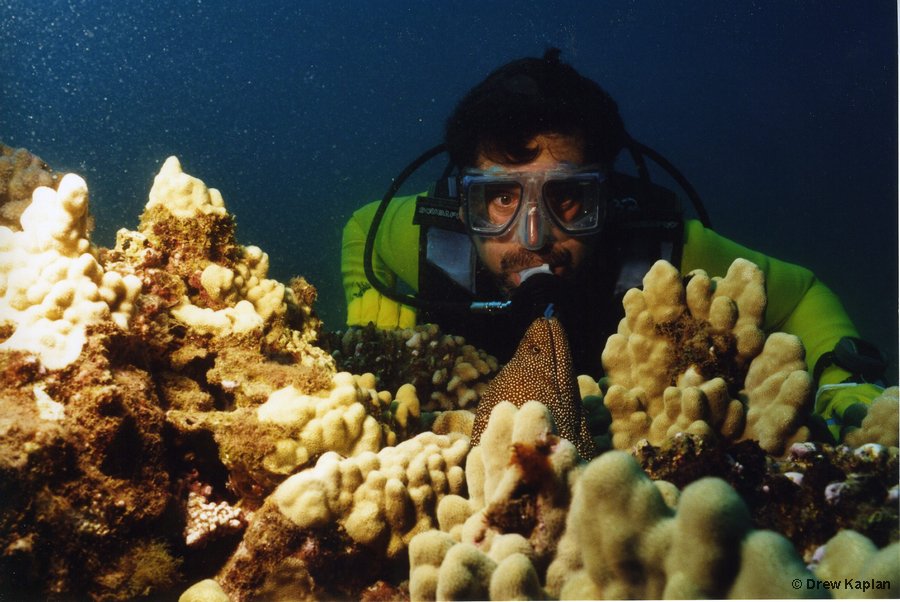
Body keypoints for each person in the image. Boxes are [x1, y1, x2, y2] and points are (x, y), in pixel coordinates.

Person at [340, 48, 888, 442]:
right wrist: (373, 313)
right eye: (501, 198)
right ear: (464, 208)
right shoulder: (432, 238)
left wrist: (846, 390)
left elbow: (801, 294)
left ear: (607, 200)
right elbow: (362, 228)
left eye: (567, 197)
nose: (533, 237)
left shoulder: (655, 254)